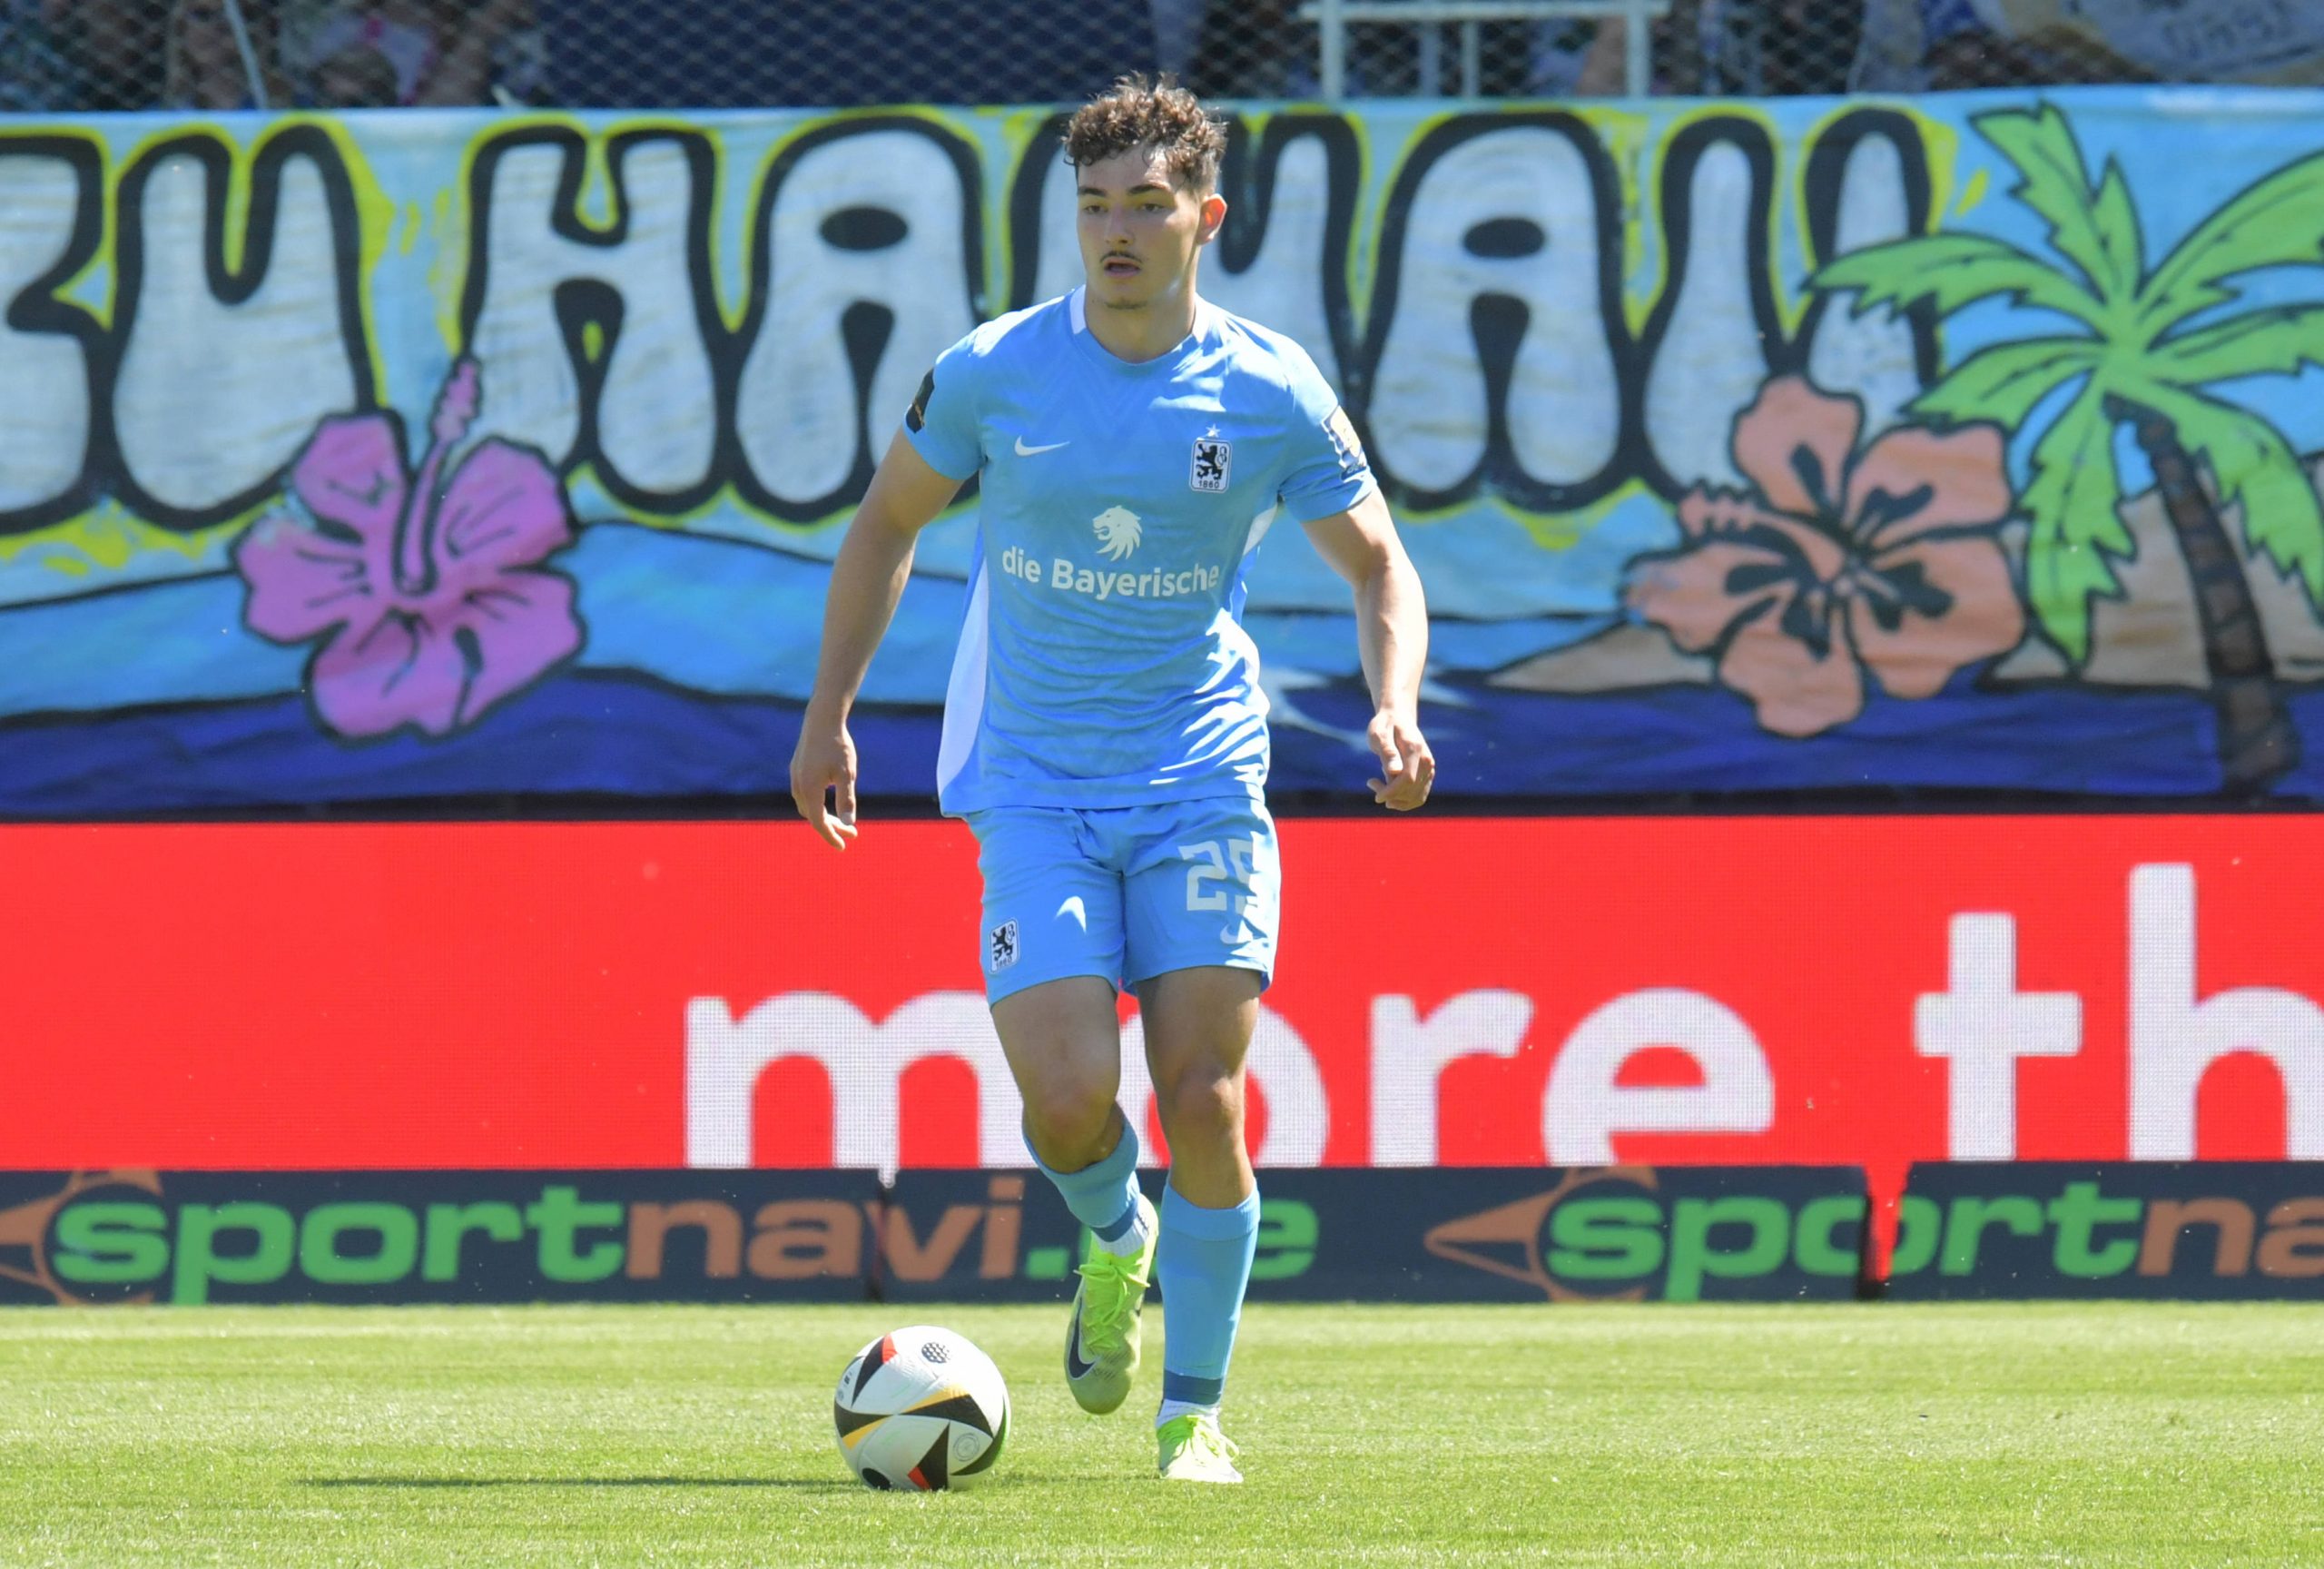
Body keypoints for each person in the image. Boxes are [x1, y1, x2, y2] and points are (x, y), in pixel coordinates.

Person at [789, 75, 1433, 1485]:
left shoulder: (1269, 389)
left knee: (1202, 1098)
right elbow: (885, 526)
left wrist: (1394, 707)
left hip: (1201, 776)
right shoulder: (992, 372)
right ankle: (1117, 1237)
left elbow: (1379, 564)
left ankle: (1193, 1417)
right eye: (1094, 208)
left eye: (1146, 205)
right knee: (1073, 1098)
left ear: (1207, 218)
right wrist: (829, 715)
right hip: (1033, 784)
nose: (1117, 233)